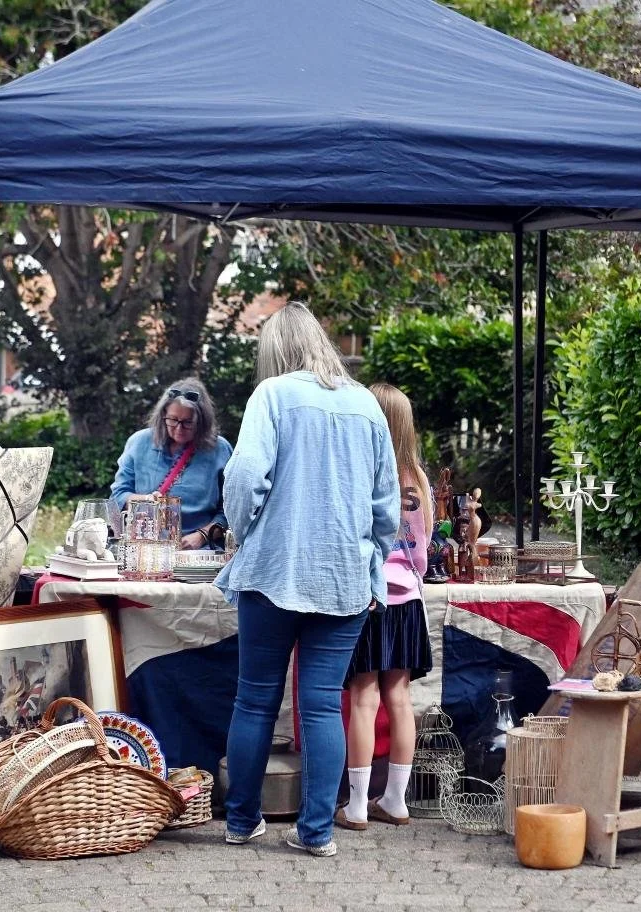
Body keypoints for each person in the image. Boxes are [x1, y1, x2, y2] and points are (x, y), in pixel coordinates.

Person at [215, 302, 400, 858]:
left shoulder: (271, 396)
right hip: (342, 576)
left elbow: (245, 477)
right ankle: (317, 833)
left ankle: (242, 821)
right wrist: (370, 559)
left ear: (275, 350)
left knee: (254, 703)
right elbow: (385, 504)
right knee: (322, 707)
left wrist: (243, 531)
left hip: (274, 569)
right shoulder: (366, 404)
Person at [334, 383, 433, 831]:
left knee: (362, 697)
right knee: (399, 696)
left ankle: (355, 806)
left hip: (369, 595)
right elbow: (424, 549)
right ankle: (395, 800)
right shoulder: (418, 479)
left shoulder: (361, 471)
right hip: (407, 598)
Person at [111, 377, 233, 549]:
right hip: (144, 551)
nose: (178, 428)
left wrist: (203, 535)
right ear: (163, 416)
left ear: (202, 421)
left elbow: (231, 510)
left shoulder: (219, 449)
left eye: (188, 422)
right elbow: (117, 496)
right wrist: (146, 500)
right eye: (173, 420)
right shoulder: (139, 443)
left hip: (199, 552)